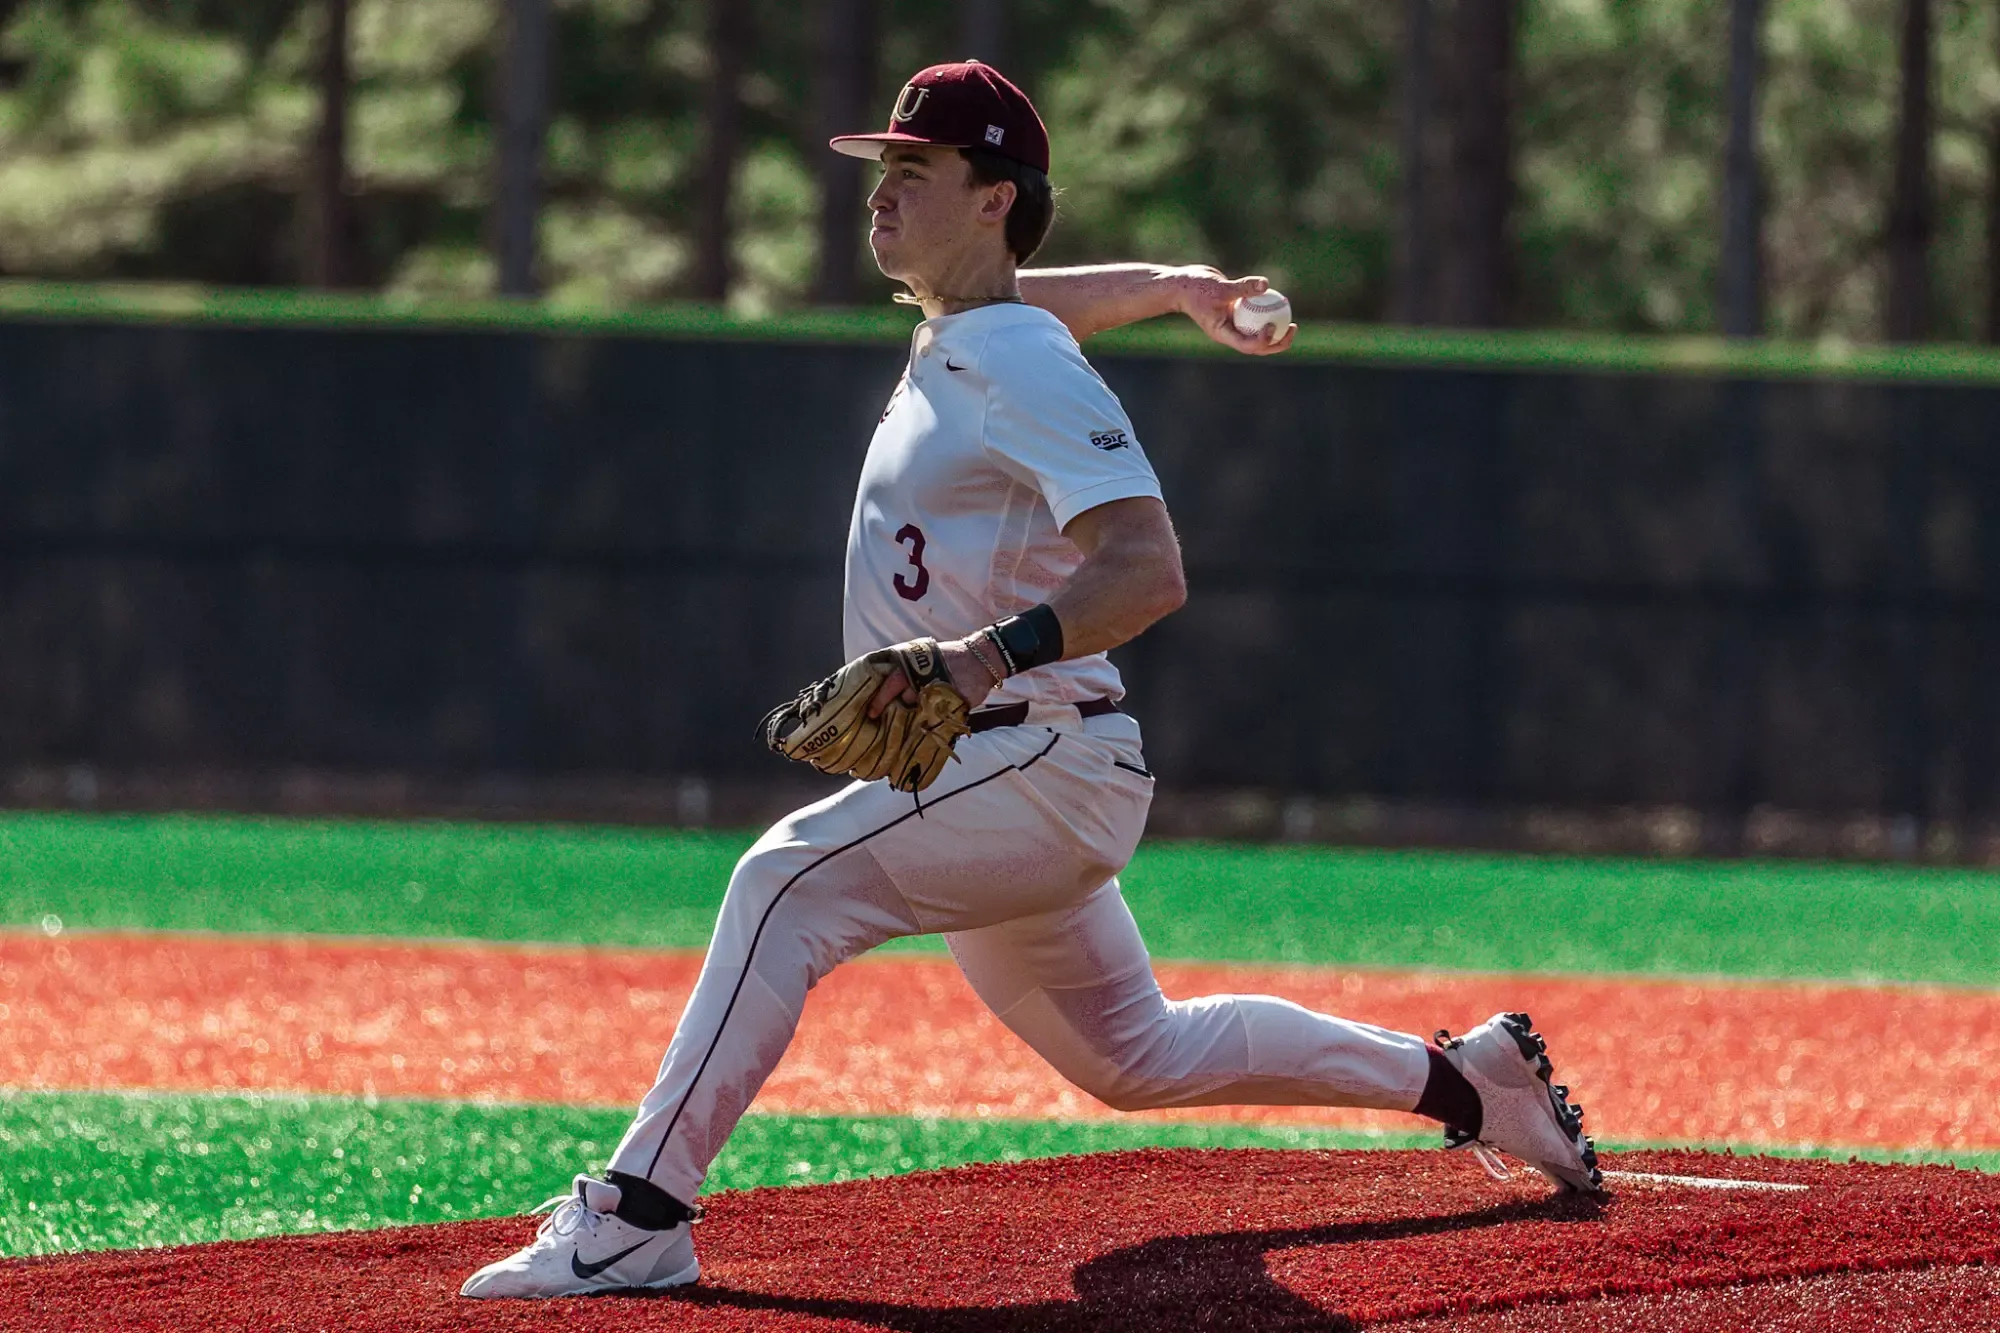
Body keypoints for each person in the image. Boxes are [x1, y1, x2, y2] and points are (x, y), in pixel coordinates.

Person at [461, 59, 1597, 1301]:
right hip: (985, 766)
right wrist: (1167, 288)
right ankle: (1468, 1081)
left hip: (1034, 755)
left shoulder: (1023, 364)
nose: (880, 193)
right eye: (878, 169)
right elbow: (1021, 307)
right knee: (1135, 1053)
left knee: (782, 883)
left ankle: (638, 1213)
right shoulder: (973, 333)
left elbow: (1148, 568)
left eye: (913, 170)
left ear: (992, 196)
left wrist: (980, 652)